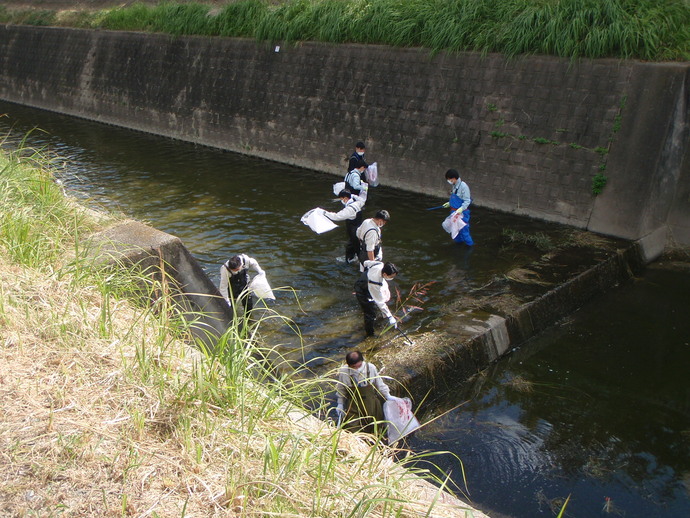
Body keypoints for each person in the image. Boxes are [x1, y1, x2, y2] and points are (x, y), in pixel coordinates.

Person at [335, 350, 399, 435]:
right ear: (349, 365)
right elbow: (341, 389)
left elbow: (379, 383)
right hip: (354, 405)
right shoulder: (344, 372)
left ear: (362, 361)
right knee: (352, 430)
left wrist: (388, 395)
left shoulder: (371, 368)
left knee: (376, 429)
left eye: (359, 366)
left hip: (372, 405)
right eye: (354, 367)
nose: (357, 369)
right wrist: (340, 404)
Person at [322, 186, 368, 263]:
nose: (341, 201)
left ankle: (354, 261)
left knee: (353, 245)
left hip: (353, 230)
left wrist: (324, 213)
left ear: (345, 198)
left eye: (342, 199)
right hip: (359, 228)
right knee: (355, 245)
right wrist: (352, 195)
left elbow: (337, 216)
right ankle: (355, 258)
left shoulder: (349, 209)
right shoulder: (358, 202)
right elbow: (361, 198)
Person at [354, 260, 398, 337]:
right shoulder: (375, 283)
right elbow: (380, 302)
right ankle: (370, 335)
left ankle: (376, 320)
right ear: (384, 274)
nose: (392, 278)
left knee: (375, 303)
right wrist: (390, 316)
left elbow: (365, 263)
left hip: (365, 281)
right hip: (363, 290)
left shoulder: (379, 264)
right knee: (370, 314)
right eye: (391, 277)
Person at [443, 168, 474, 246]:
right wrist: (449, 203)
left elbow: (467, 201)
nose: (449, 181)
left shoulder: (464, 186)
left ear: (453, 178)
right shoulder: (454, 186)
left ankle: (470, 246)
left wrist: (461, 209)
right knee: (455, 230)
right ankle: (458, 245)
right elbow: (455, 197)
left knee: (464, 230)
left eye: (449, 179)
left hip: (462, 213)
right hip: (454, 212)